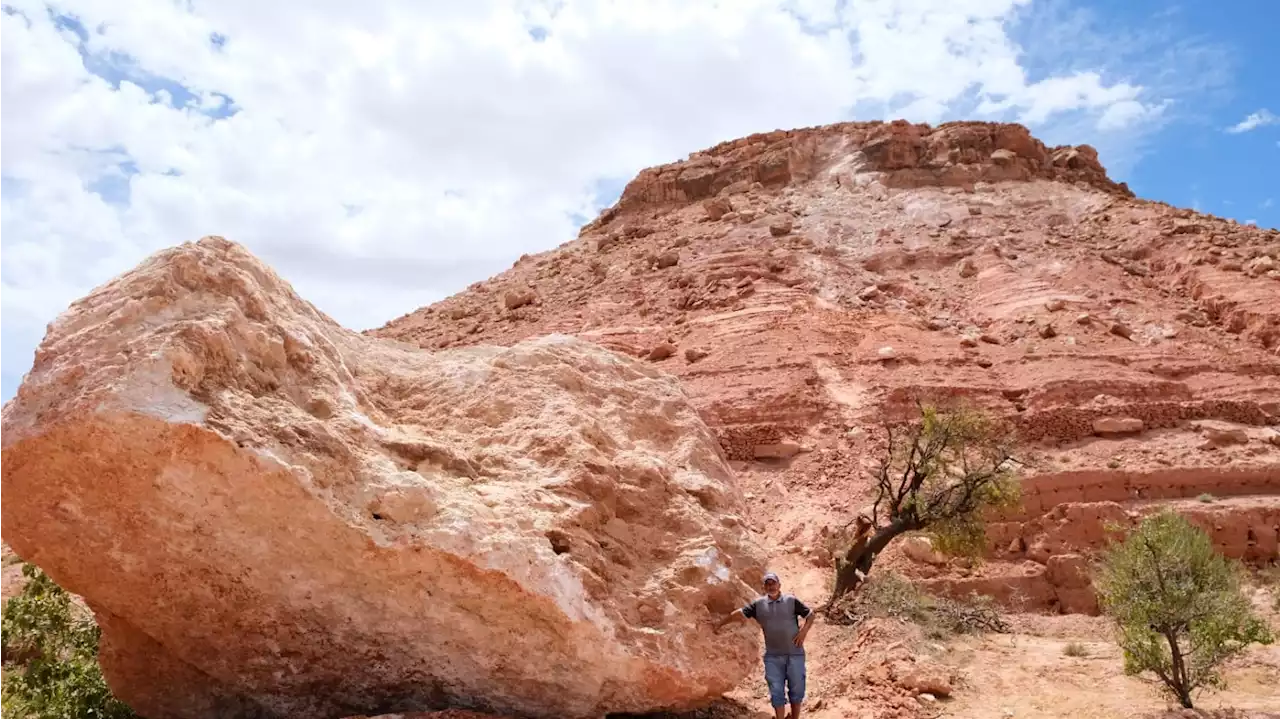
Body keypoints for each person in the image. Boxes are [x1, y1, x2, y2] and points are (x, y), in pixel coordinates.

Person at [714, 571, 814, 719]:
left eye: (773, 583)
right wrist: (720, 624)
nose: (771, 586)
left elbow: (810, 615)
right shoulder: (759, 605)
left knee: (797, 689)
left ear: (779, 585)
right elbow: (739, 614)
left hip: (795, 653)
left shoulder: (791, 601)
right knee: (776, 690)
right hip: (773, 656)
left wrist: (804, 632)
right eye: (768, 584)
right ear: (764, 587)